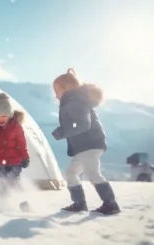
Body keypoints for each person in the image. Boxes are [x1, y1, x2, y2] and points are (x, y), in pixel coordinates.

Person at [52, 68, 120, 215]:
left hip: (90, 144)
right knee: (71, 173)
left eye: (56, 91)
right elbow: (76, 124)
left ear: (66, 89)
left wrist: (63, 132)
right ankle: (79, 203)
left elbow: (83, 124)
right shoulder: (72, 101)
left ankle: (110, 204)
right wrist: (65, 129)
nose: (56, 96)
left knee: (92, 173)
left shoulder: (74, 102)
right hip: (84, 146)